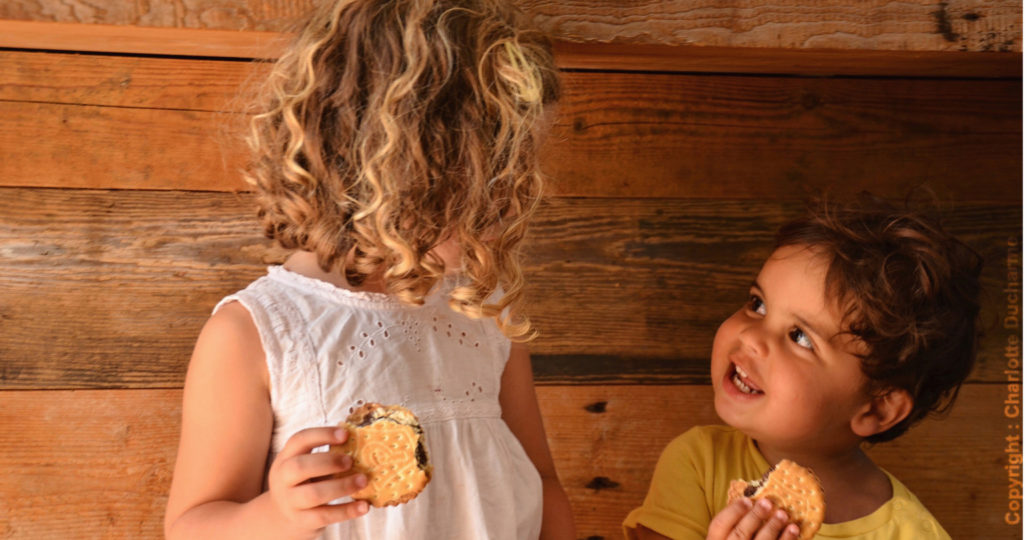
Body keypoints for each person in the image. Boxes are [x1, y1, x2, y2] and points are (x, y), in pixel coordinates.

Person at [164, 0, 575, 538]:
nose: (509, 209)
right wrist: (277, 515)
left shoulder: (482, 308)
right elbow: (193, 526)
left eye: (519, 180)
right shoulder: (258, 333)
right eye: (487, 185)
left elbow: (540, 485)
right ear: (390, 165)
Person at [623, 196, 983, 540]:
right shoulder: (698, 465)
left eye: (800, 337)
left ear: (877, 407)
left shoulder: (914, 533)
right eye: (758, 304)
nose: (752, 337)